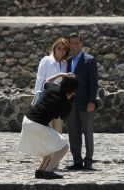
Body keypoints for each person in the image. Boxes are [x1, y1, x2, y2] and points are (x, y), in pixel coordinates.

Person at [19, 73, 79, 179]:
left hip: (28, 119)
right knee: (64, 147)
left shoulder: (53, 87)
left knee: (50, 147)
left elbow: (46, 82)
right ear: (73, 89)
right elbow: (63, 116)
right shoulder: (64, 101)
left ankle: (41, 170)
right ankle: (48, 171)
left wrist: (60, 74)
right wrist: (69, 100)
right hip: (37, 124)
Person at [66, 33, 98, 170]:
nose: (74, 46)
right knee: (73, 133)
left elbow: (93, 82)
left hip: (86, 103)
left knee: (88, 133)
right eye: (72, 43)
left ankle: (89, 161)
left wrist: (91, 101)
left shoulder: (90, 60)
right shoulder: (68, 61)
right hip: (71, 104)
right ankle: (77, 161)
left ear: (82, 43)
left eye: (77, 43)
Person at [34, 38, 69, 134]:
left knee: (58, 131)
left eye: (64, 49)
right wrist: (38, 97)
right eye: (59, 48)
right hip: (46, 100)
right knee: (45, 129)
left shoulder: (65, 64)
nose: (61, 51)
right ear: (54, 48)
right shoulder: (46, 60)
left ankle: (56, 149)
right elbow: (40, 79)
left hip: (59, 100)